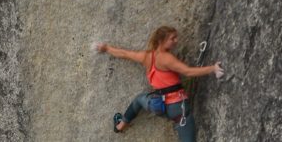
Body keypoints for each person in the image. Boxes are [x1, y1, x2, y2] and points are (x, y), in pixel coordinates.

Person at [93, 26, 223, 141]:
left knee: (139, 99)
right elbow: (187, 72)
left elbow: (124, 53)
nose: (176, 41)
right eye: (173, 38)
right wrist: (213, 68)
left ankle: (120, 125)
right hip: (178, 108)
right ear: (161, 41)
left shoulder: (146, 56)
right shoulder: (166, 58)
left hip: (158, 105)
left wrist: (106, 48)